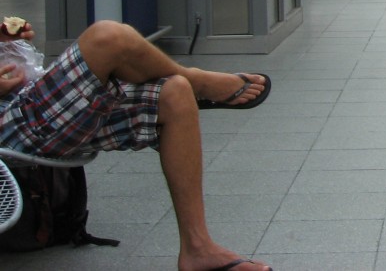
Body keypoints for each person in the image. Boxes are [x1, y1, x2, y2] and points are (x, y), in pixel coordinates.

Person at [0, 18, 272, 271]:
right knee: (108, 37)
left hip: (17, 106)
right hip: (7, 127)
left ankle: (197, 249)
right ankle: (198, 80)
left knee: (174, 93)